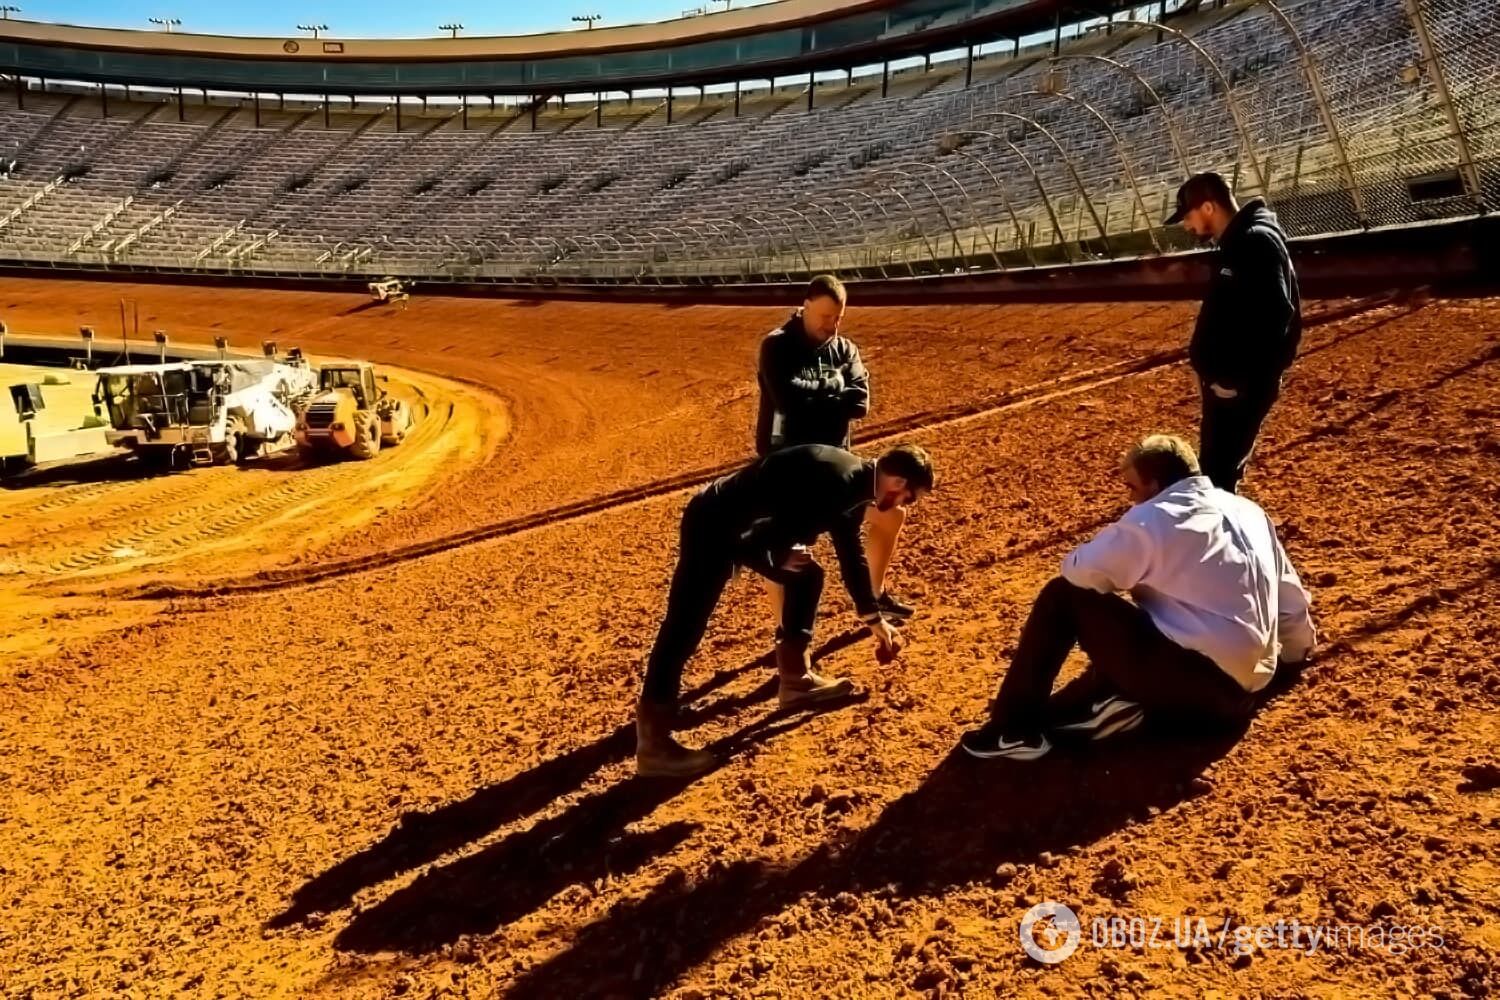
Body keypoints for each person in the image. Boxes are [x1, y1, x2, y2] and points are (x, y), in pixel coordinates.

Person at [960, 434, 1315, 761]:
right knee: (1171, 611)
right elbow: (1288, 596)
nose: (1130, 497)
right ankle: (1123, 703)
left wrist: (1127, 546)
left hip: (1199, 693)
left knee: (1063, 597)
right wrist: (1294, 658)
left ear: (1154, 484)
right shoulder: (1247, 511)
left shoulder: (1153, 518)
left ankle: (1013, 731)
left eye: (1132, 487)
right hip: (1246, 694)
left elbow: (1079, 572)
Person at [637, 442, 936, 778]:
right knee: (684, 625)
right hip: (714, 525)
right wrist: (776, 557)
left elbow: (851, 554)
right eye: (911, 497)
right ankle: (653, 745)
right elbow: (751, 539)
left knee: (806, 576)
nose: (906, 504)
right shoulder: (838, 483)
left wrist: (873, 618)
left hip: (749, 527)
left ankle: (796, 681)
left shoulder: (858, 485)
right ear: (898, 483)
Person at [756, 273, 914, 621]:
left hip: (837, 471)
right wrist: (835, 386)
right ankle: (786, 632)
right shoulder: (778, 346)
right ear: (806, 306)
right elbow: (787, 400)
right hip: (789, 470)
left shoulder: (845, 348)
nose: (833, 325)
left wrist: (816, 394)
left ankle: (875, 595)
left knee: (891, 515)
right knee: (790, 552)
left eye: (839, 317)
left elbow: (860, 403)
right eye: (826, 317)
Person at [1167, 172, 1302, 493]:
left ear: (1209, 208)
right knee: (1217, 468)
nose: (1187, 225)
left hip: (1239, 387)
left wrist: (1233, 380)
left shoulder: (1254, 241)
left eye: (1188, 215)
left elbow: (1275, 315)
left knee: (1219, 474)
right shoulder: (1240, 241)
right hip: (1230, 386)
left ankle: (1225, 536)